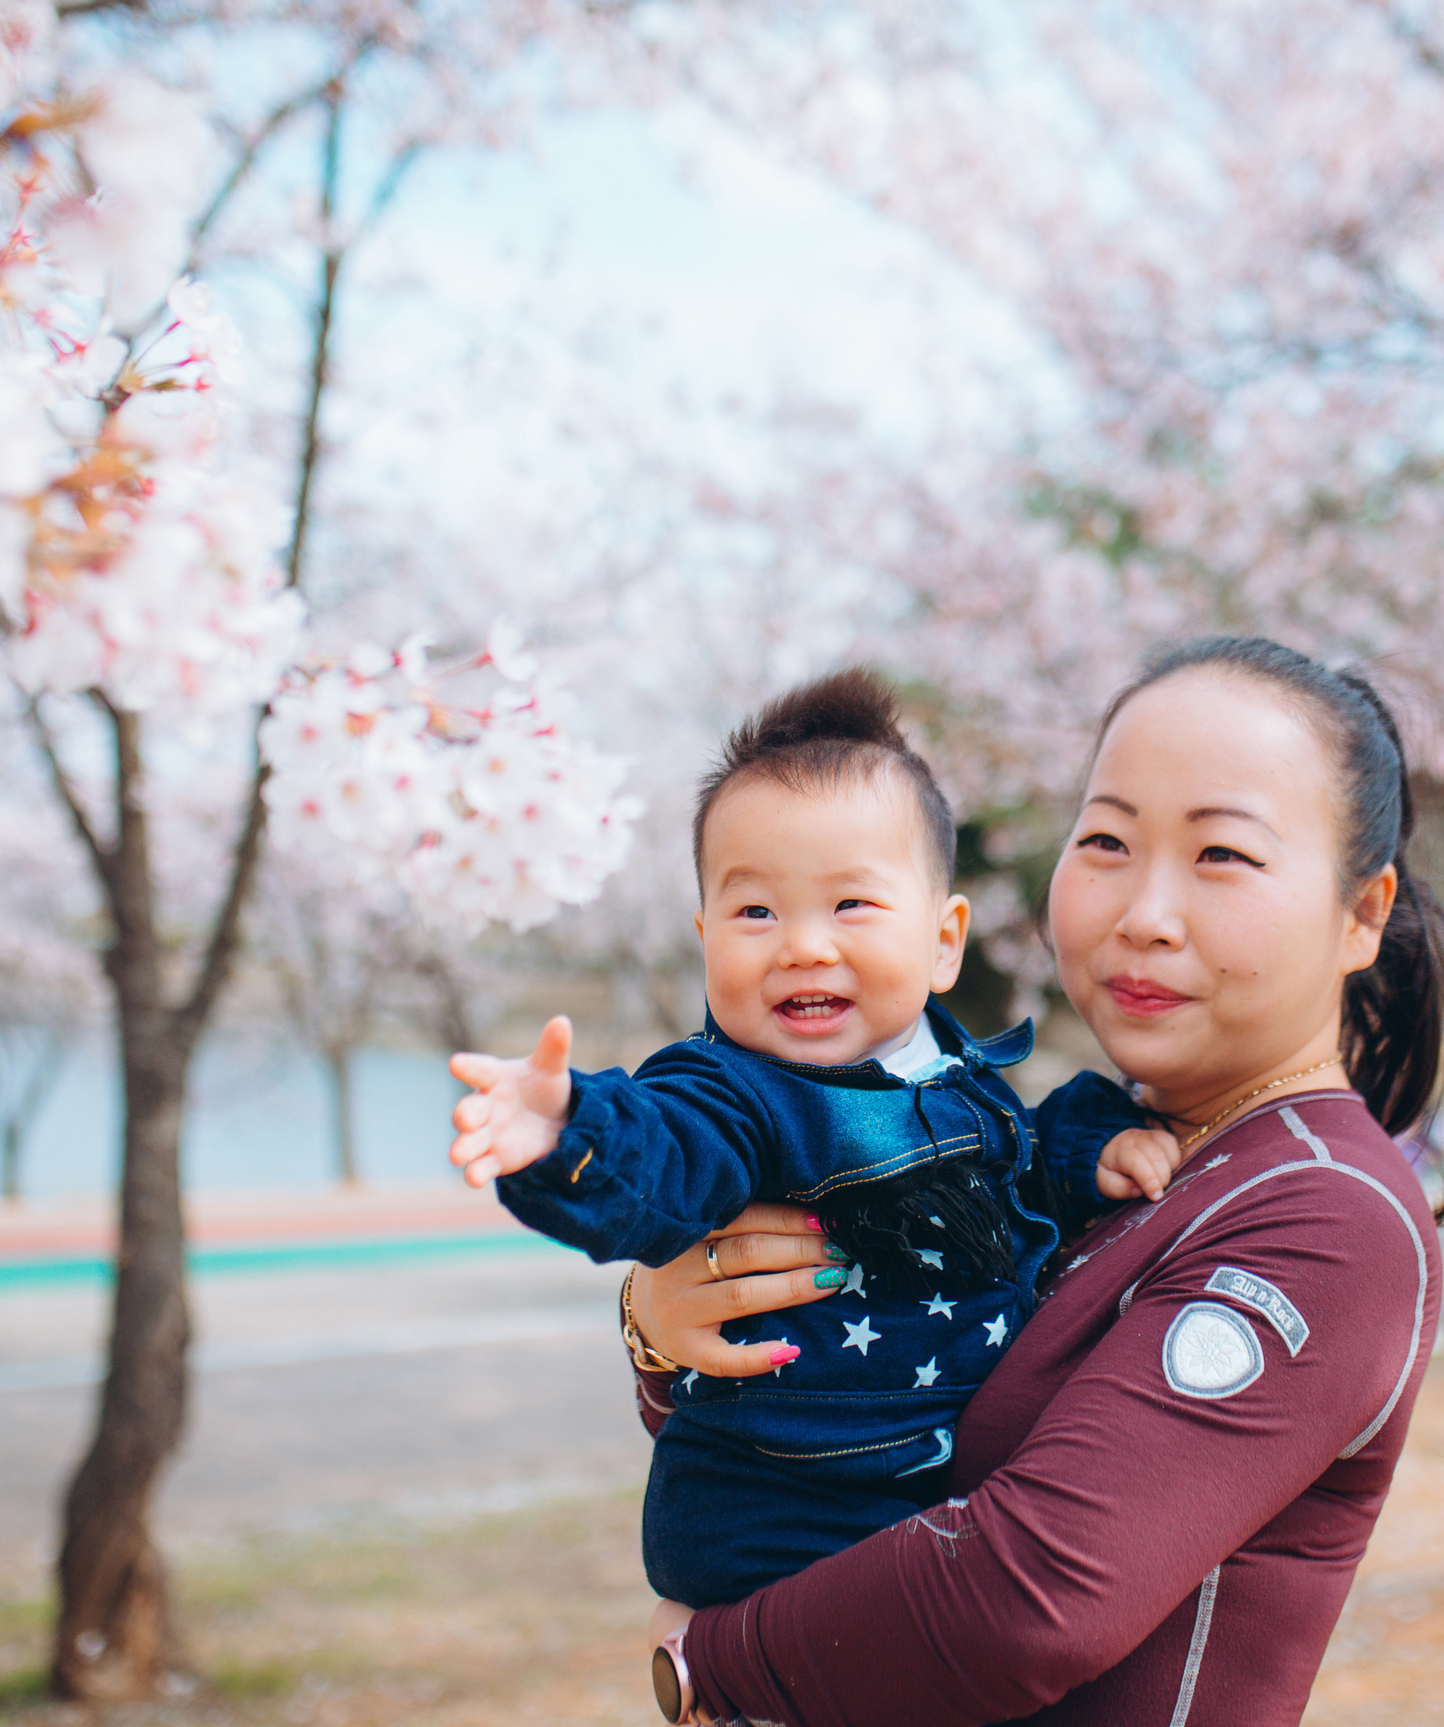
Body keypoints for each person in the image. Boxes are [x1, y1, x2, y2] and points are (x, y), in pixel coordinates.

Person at [626, 636, 1444, 1726]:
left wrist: (707, 1670)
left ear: (1360, 913)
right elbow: (831, 1409)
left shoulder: (1327, 1213)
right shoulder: (1051, 1148)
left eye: (1222, 857)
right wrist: (662, 1326)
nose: (1142, 913)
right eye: (1105, 839)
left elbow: (1032, 1595)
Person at [448, 670, 1175, 1611]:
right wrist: (569, 1131)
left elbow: (1012, 1173)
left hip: (936, 1488)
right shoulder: (737, 1092)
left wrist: (1085, 1151)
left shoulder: (958, 1080)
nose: (802, 945)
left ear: (945, 940)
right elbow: (664, 1154)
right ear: (706, 936)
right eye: (756, 912)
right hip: (784, 1510)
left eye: (851, 905)